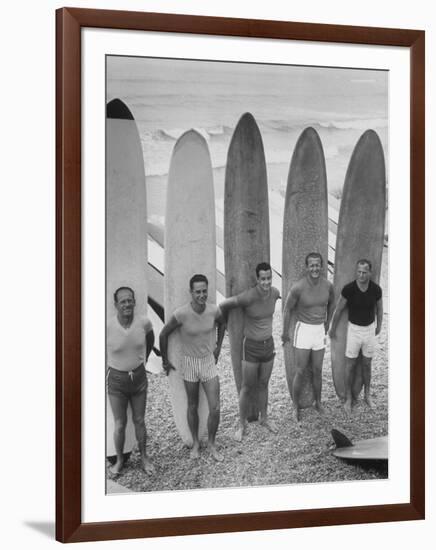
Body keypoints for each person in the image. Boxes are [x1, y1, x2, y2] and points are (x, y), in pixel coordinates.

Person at [159, 274, 226, 461]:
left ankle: (212, 443)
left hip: (207, 362)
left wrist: (218, 347)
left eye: (204, 291)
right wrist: (165, 360)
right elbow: (163, 334)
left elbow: (222, 323)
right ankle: (196, 443)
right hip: (189, 363)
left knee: (215, 407)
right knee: (192, 405)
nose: (202, 295)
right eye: (198, 292)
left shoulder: (214, 310)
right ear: (191, 292)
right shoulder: (181, 314)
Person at [220, 262, 280, 442]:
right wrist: (225, 326)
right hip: (251, 347)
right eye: (263, 279)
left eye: (269, 278)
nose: (266, 282)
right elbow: (224, 305)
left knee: (263, 384)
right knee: (247, 387)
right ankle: (242, 424)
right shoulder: (248, 297)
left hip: (268, 344)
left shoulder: (275, 293)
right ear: (257, 279)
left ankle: (265, 418)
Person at [106, 286, 155, 475]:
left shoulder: (144, 323)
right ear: (116, 304)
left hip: (139, 379)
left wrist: (146, 358)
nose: (127, 304)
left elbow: (150, 339)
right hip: (116, 381)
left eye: (130, 300)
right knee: (120, 423)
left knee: (140, 420)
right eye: (123, 301)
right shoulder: (108, 326)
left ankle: (144, 458)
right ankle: (119, 461)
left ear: (134, 302)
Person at [281, 252, 335, 421]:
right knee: (301, 370)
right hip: (303, 330)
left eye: (317, 265)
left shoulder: (328, 285)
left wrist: (327, 322)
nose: (315, 268)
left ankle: (318, 402)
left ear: (322, 266)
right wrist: (284, 332)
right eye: (311, 265)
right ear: (306, 267)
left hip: (319, 331)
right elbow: (287, 309)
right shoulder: (298, 287)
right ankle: (295, 406)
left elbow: (332, 304)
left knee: (318, 370)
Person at [329, 259, 383, 413]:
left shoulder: (376, 289)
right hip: (354, 330)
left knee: (367, 364)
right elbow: (338, 310)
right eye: (359, 272)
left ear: (369, 273)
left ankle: (367, 395)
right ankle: (348, 398)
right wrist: (333, 328)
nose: (361, 275)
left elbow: (379, 309)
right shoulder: (349, 289)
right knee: (350, 364)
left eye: (364, 272)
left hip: (369, 330)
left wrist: (379, 326)